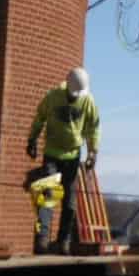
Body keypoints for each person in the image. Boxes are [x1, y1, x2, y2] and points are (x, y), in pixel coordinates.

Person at [27, 67, 100, 254]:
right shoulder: (53, 97)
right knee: (49, 197)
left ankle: (63, 241)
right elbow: (39, 117)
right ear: (67, 86)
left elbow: (93, 128)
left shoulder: (87, 101)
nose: (75, 97)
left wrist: (93, 153)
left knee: (70, 203)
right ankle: (42, 239)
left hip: (72, 157)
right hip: (52, 154)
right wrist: (32, 139)